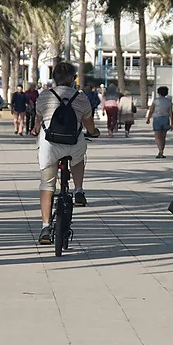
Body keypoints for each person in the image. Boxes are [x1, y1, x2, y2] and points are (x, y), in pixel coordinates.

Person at [32, 62, 100, 244]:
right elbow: (89, 123)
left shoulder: (44, 96)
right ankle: (78, 190)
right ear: (72, 79)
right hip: (73, 142)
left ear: (54, 78)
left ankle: (45, 227)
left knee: (46, 185)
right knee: (78, 158)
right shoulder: (81, 97)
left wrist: (35, 128)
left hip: (50, 146)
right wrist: (94, 132)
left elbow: (38, 121)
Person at [146, 87, 173, 158]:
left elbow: (151, 110)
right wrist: (172, 123)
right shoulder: (168, 101)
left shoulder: (156, 101)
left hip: (157, 119)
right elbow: (171, 112)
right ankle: (162, 151)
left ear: (158, 93)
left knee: (157, 136)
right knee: (163, 137)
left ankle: (160, 150)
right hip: (165, 119)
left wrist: (148, 118)